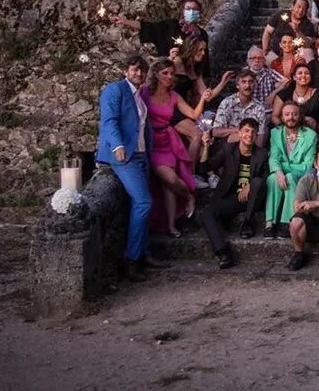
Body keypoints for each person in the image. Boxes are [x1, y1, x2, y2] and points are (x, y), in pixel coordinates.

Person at [96, 55, 167, 281]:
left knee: (142, 204)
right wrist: (117, 145)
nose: (139, 74)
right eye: (135, 69)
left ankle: (143, 252)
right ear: (126, 70)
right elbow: (109, 121)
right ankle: (132, 259)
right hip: (124, 155)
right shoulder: (115, 91)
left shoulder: (139, 96)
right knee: (144, 202)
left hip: (140, 155)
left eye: (143, 71)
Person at [142, 58, 213, 237]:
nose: (169, 76)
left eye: (172, 73)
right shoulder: (145, 93)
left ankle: (171, 226)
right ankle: (190, 196)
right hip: (152, 141)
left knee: (168, 185)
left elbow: (194, 114)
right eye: (165, 73)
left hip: (168, 139)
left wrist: (203, 99)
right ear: (156, 74)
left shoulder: (174, 96)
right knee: (171, 179)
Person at [198, 118, 268, 266]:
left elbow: (265, 177)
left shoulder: (261, 154)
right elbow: (205, 168)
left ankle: (248, 223)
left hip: (253, 199)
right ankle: (223, 252)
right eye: (246, 131)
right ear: (239, 133)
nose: (250, 135)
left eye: (254, 132)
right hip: (232, 199)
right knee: (206, 213)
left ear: (257, 136)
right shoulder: (228, 149)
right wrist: (205, 147)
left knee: (257, 182)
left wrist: (250, 185)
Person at [170, 36, 233, 177]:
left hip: (186, 108)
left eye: (204, 49)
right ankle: (190, 176)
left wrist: (223, 83)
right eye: (200, 50)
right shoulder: (176, 62)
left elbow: (207, 96)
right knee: (197, 134)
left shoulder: (194, 67)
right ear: (190, 49)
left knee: (203, 136)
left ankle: (200, 172)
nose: (203, 53)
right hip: (172, 109)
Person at [109, 0, 209, 74]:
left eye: (194, 9)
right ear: (183, 11)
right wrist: (125, 21)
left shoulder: (202, 34)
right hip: (167, 71)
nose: (191, 12)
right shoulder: (171, 25)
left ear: (199, 12)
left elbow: (204, 58)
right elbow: (149, 27)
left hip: (190, 73)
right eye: (188, 9)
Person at [266, 102, 317, 239]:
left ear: (300, 116)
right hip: (282, 172)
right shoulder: (276, 133)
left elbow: (307, 166)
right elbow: (274, 157)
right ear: (282, 117)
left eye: (295, 114)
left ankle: (286, 221)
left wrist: (284, 168)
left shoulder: (310, 135)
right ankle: (270, 223)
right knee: (272, 178)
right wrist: (278, 172)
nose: (291, 117)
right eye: (287, 114)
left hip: (302, 175)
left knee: (289, 177)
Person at [211, 69, 268, 148]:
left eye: (251, 82)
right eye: (244, 82)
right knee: (238, 137)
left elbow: (260, 136)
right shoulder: (227, 103)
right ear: (237, 85)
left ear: (255, 85)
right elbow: (215, 132)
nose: (247, 85)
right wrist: (239, 130)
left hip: (250, 146)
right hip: (226, 145)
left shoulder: (259, 107)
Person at [271, 64, 319, 129]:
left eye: (307, 73)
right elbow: (274, 116)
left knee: (309, 120)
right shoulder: (284, 94)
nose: (303, 76)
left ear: (310, 77)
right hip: (287, 129)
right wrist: (285, 129)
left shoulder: (317, 93)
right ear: (294, 77)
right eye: (300, 73)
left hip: (310, 131)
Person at [245, 46, 285, 114]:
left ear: (264, 61)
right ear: (248, 61)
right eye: (253, 58)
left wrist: (273, 93)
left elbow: (286, 81)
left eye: (260, 58)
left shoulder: (270, 72)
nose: (257, 60)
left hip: (267, 112)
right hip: (248, 112)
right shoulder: (243, 75)